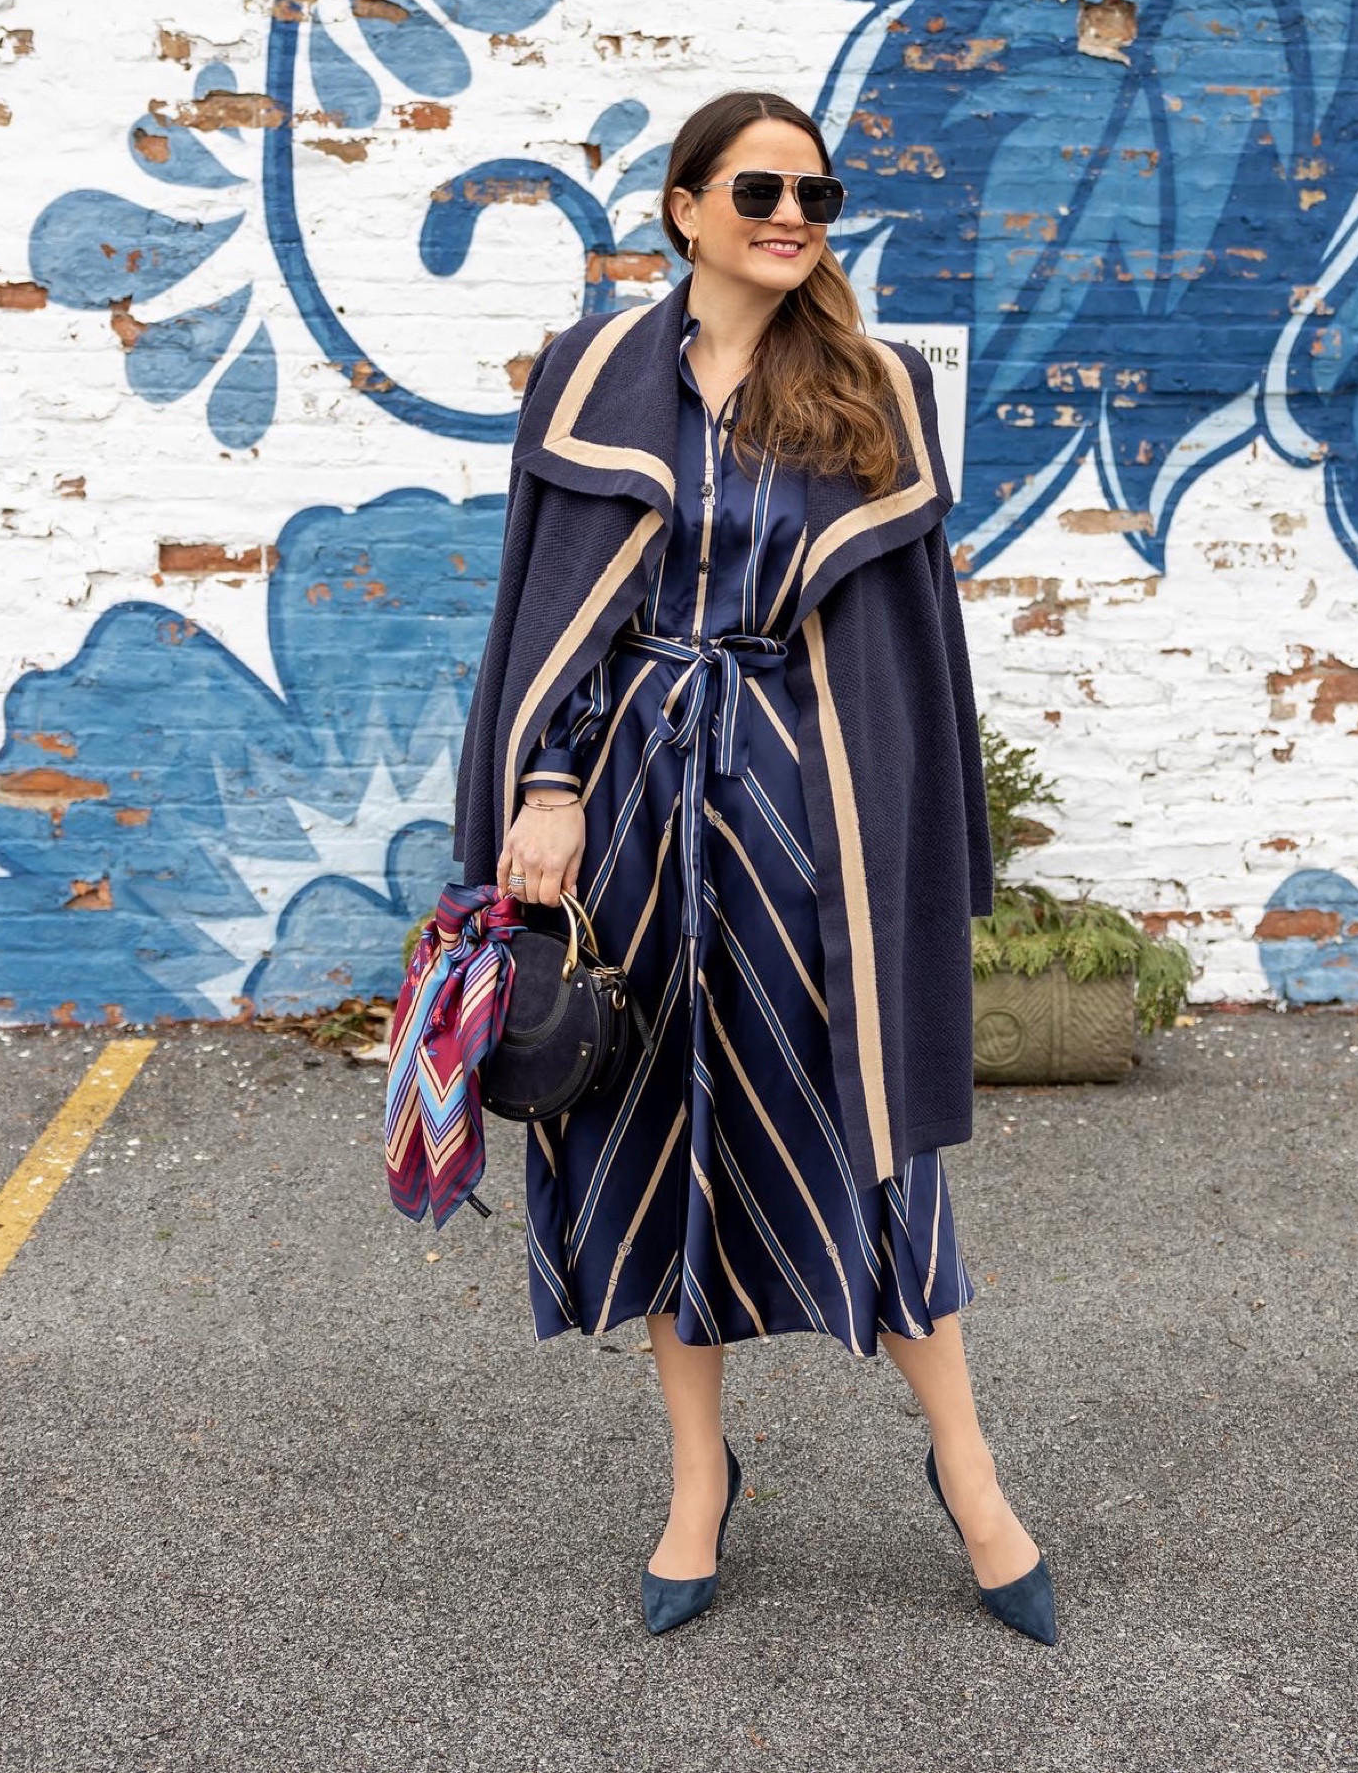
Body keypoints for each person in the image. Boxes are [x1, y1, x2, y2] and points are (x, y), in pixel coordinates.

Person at [450, 89, 1057, 1643]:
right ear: (685, 208)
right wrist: (547, 782)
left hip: (811, 808)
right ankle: (697, 1478)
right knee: (657, 1127)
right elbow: (551, 614)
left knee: (866, 1134)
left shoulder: (876, 383)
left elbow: (911, 647)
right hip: (633, 810)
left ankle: (970, 1471)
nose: (792, 216)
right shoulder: (592, 376)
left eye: (816, 194)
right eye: (760, 190)